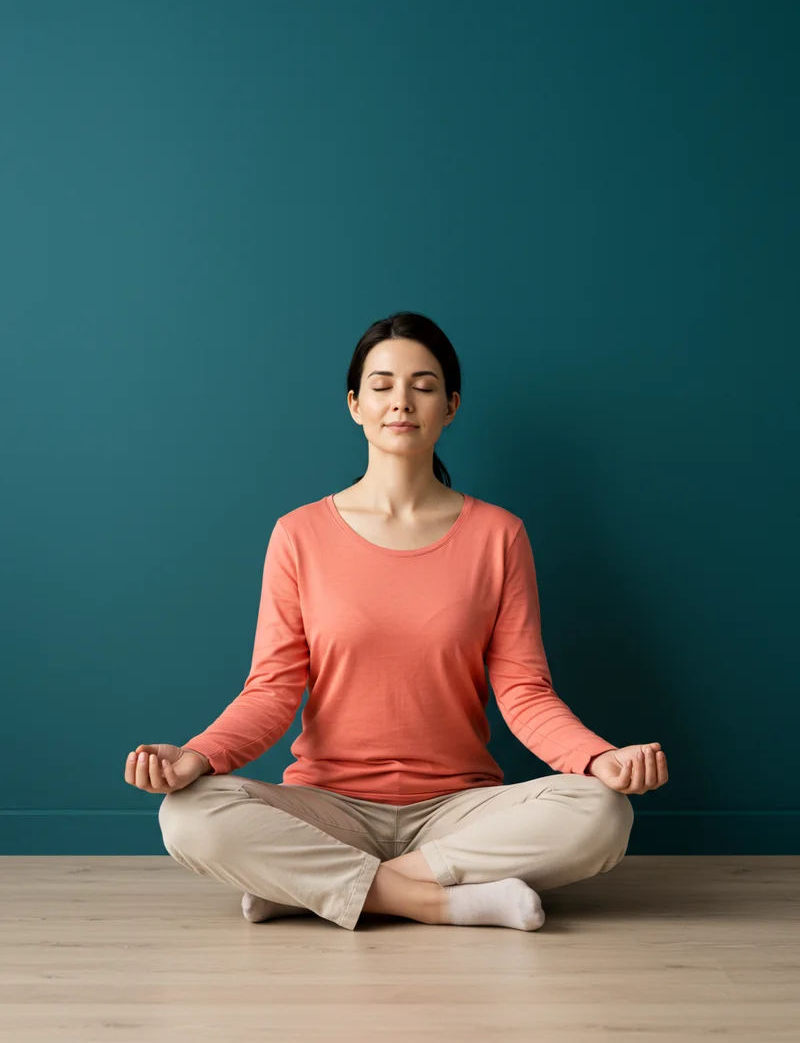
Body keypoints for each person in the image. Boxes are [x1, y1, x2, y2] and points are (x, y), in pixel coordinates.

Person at [125, 310, 669, 932]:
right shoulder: (298, 534)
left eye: (424, 385)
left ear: (451, 406)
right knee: (187, 814)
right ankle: (444, 898)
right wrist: (198, 756)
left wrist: (599, 759)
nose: (401, 402)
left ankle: (314, 888)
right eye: (381, 385)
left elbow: (524, 692)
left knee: (602, 812)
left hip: (459, 809)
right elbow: (271, 692)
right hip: (326, 807)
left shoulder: (499, 535)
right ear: (354, 404)